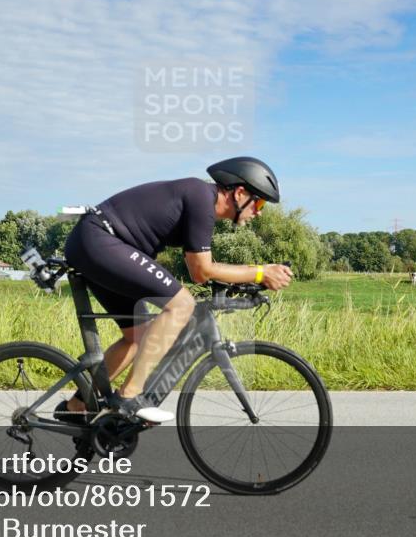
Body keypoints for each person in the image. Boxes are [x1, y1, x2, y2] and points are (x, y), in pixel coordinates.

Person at [60, 156, 293, 423]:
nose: (260, 211)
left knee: (138, 336)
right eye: (260, 202)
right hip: (101, 239)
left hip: (97, 241)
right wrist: (261, 272)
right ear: (240, 193)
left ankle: (77, 405)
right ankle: (128, 398)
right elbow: (201, 271)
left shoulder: (201, 201)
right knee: (182, 305)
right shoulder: (201, 198)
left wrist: (251, 278)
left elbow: (204, 268)